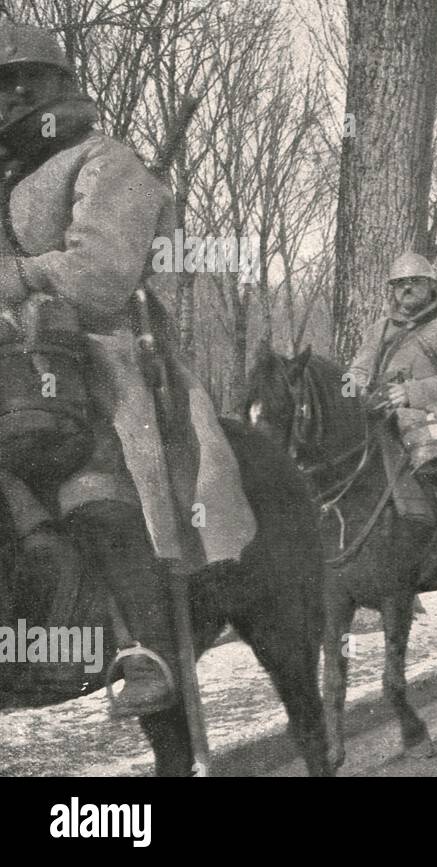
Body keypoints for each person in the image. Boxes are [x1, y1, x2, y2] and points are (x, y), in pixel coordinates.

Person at [0, 24, 257, 715]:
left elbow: (99, 277)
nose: (17, 92)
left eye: (33, 77)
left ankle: (138, 646)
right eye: (4, 81)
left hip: (99, 357)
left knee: (91, 471)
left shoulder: (105, 161)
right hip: (7, 362)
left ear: (65, 85)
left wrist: (15, 276)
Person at [347, 250, 437, 550]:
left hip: (434, 415)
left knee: (433, 453)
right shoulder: (380, 329)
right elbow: (359, 368)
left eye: (415, 282)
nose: (406, 289)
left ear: (431, 286)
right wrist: (351, 388)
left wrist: (412, 393)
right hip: (381, 412)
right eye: (399, 284)